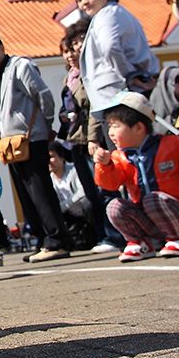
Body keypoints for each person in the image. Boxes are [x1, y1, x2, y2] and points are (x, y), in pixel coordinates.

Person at [0, 33, 71, 262]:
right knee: (25, 195)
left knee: (40, 190)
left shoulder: (21, 66)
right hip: (10, 144)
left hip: (31, 138)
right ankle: (42, 240)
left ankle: (56, 240)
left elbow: (43, 96)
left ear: (1, 47)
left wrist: (46, 124)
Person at [93, 91, 179, 262]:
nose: (110, 133)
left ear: (138, 128)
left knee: (153, 199)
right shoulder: (119, 157)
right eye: (109, 126)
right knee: (114, 206)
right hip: (150, 220)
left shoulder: (172, 145)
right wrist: (104, 165)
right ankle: (141, 243)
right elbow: (110, 185)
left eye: (115, 126)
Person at [60, 24, 121, 253]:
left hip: (90, 137)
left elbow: (94, 107)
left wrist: (94, 137)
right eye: (66, 50)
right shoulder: (69, 79)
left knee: (105, 188)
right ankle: (104, 235)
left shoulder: (89, 75)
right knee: (91, 193)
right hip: (75, 139)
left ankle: (115, 235)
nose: (71, 54)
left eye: (74, 48)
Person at [73, 0, 159, 121]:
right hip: (122, 94)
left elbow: (110, 47)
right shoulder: (116, 12)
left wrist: (130, 76)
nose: (83, 3)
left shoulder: (107, 14)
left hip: (119, 96)